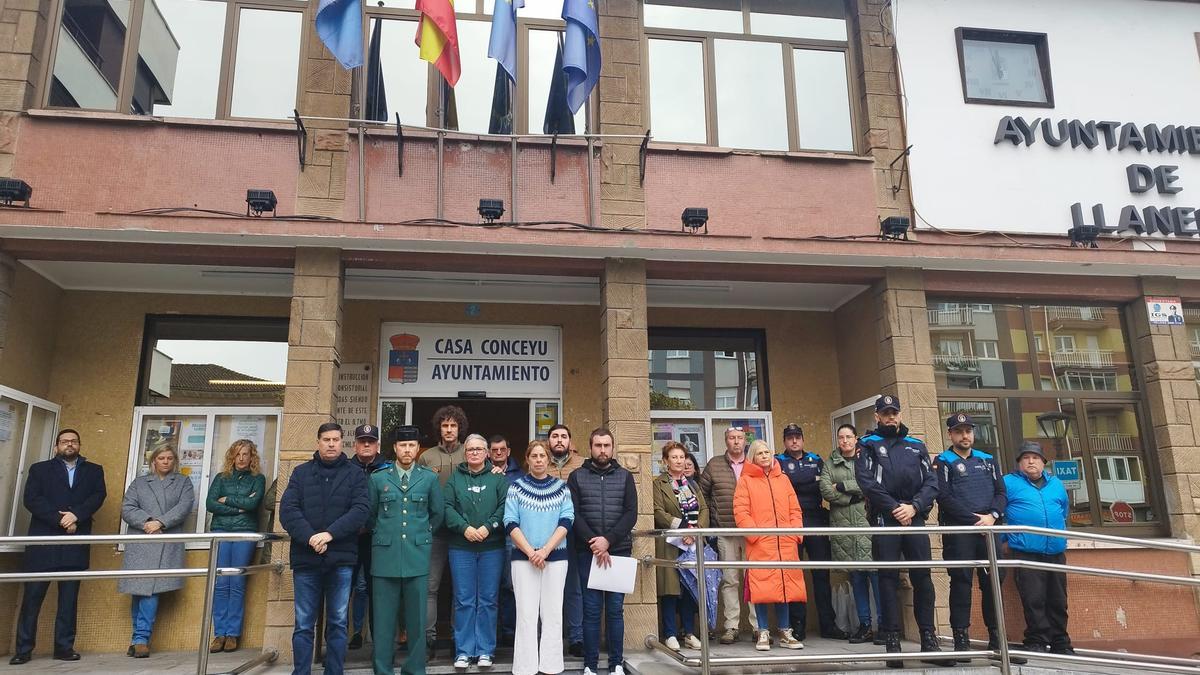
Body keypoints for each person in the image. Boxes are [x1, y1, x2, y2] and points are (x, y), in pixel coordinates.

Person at [855, 395, 950, 668]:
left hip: (914, 518)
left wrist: (914, 507)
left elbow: (932, 483)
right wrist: (896, 508)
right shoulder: (868, 445)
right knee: (887, 578)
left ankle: (928, 638)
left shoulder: (916, 444)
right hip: (886, 518)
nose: (890, 417)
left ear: (899, 414)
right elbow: (867, 483)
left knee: (923, 577)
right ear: (877, 416)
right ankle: (893, 639)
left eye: (894, 412)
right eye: (885, 413)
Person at [280, 422, 370, 675]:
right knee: (304, 625)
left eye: (336, 439)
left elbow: (360, 511)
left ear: (343, 443)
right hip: (306, 560)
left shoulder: (355, 475)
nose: (331, 444)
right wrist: (311, 537)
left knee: (338, 623)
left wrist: (329, 534)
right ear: (318, 442)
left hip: (341, 561)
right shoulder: (300, 473)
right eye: (326, 439)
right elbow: (288, 510)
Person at [11, 429, 106, 665]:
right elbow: (31, 499)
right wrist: (60, 519)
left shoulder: (94, 470)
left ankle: (64, 648)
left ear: (80, 445)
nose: (69, 445)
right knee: (32, 599)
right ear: (56, 447)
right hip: (43, 542)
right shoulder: (39, 469)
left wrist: (76, 516)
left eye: (74, 441)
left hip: (75, 541)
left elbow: (97, 496)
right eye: (64, 442)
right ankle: (23, 649)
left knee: (68, 599)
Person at [934, 413, 1012, 663]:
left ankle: (997, 639)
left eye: (968, 431)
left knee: (993, 585)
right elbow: (944, 498)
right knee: (961, 584)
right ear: (950, 435)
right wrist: (975, 520)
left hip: (988, 531)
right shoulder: (943, 461)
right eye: (959, 431)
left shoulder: (988, 460)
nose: (964, 435)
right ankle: (961, 641)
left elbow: (1001, 492)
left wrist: (993, 516)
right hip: (961, 533)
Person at [369, 425, 444, 675]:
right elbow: (370, 516)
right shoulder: (378, 478)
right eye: (403, 445)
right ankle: (382, 669)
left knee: (417, 619)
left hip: (417, 555)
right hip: (385, 556)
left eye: (412, 445)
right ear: (394, 448)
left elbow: (437, 515)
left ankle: (414, 668)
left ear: (417, 448)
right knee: (383, 620)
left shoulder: (429, 478)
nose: (407, 450)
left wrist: (420, 536)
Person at [569, 428, 638, 675]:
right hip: (588, 553)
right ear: (591, 448)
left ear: (612, 447)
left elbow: (631, 513)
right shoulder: (576, 477)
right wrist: (594, 542)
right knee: (591, 610)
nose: (602, 450)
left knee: (615, 610)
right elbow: (573, 514)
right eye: (598, 445)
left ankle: (616, 663)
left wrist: (607, 541)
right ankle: (589, 664)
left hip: (617, 551)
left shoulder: (625, 476)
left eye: (606, 445)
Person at [118, 445, 196, 658]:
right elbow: (127, 508)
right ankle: (137, 639)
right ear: (153, 461)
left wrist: (161, 522)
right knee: (138, 591)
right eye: (161, 458)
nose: (165, 461)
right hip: (141, 541)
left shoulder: (183, 482)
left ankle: (142, 638)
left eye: (169, 458)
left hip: (165, 540)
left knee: (150, 590)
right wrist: (147, 522)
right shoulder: (140, 483)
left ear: (175, 461)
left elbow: (185, 506)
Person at [505, 440, 574, 675]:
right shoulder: (516, 487)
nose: (538, 460)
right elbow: (510, 522)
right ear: (527, 459)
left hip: (555, 558)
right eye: (533, 456)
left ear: (548, 459)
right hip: (523, 558)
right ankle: (525, 667)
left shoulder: (561, 488)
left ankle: (551, 666)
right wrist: (531, 552)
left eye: (542, 456)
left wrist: (545, 551)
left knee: (553, 613)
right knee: (526, 613)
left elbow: (567, 520)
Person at [733, 440, 806, 652]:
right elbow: (741, 511)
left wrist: (795, 534)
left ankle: (785, 631)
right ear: (753, 458)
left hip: (785, 542)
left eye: (767, 452)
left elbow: (795, 509)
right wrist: (755, 535)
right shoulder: (745, 481)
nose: (764, 456)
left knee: (785, 587)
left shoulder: (783, 479)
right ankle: (763, 631)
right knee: (762, 588)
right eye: (759, 453)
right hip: (761, 544)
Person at [1003, 441, 1074, 656]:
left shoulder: (1056, 484)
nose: (1031, 461)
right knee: (1033, 598)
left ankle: (1061, 642)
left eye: (1035, 457)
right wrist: (1004, 540)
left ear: (1043, 462)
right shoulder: (1008, 483)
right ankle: (1037, 640)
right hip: (1026, 551)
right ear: (1019, 463)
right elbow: (997, 512)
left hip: (1055, 551)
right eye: (1026, 457)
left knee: (1058, 600)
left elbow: (1063, 511)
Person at [444, 434, 508, 669]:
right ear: (465, 453)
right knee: (464, 600)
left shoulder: (498, 479)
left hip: (492, 547)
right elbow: (447, 507)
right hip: (461, 547)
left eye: (479, 449)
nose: (474, 453)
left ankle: (485, 651)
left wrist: (487, 527)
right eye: (470, 449)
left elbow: (505, 507)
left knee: (488, 600)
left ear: (487, 453)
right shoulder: (454, 479)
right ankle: (463, 651)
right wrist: (464, 528)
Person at [775, 423, 844, 641]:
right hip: (790, 522)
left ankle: (828, 624)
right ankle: (798, 625)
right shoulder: (778, 461)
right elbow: (783, 489)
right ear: (785, 441)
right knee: (794, 575)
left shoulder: (816, 459)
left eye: (797, 437)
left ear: (802, 440)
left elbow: (824, 486)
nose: (794, 441)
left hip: (815, 520)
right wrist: (808, 481)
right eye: (790, 438)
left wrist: (798, 483)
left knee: (821, 574)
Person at [819, 424, 882, 645]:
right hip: (844, 528)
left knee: (876, 574)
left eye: (848, 437)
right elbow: (826, 490)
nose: (845, 441)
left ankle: (882, 625)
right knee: (856, 577)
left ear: (856, 439)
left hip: (867, 523)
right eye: (841, 437)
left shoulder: (867, 460)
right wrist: (853, 496)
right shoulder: (830, 463)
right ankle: (864, 625)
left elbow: (872, 485)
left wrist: (843, 485)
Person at [206, 439, 267, 653]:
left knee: (237, 582)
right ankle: (218, 633)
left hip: (245, 533)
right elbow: (210, 503)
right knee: (221, 582)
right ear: (232, 456)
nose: (241, 458)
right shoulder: (221, 478)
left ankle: (232, 634)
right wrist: (238, 507)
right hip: (221, 531)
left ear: (252, 457)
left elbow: (253, 504)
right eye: (238, 454)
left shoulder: (258, 479)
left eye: (246, 454)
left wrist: (227, 500)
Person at [418, 405, 468, 656]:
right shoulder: (426, 457)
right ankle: (429, 641)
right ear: (439, 427)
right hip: (435, 531)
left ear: (460, 428)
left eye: (453, 426)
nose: (449, 430)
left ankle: (460, 641)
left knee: (462, 588)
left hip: (462, 531)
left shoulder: (470, 453)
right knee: (430, 587)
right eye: (445, 425)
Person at [652, 441, 709, 651]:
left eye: (682, 457)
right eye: (674, 457)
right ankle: (670, 634)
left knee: (689, 588)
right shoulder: (659, 484)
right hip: (670, 543)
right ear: (666, 461)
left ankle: (689, 632)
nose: (679, 461)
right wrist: (683, 527)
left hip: (692, 543)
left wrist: (695, 531)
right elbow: (658, 512)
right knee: (671, 590)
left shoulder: (692, 484)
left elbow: (704, 509)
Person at [697, 426, 752, 644]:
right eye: (732, 438)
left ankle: (759, 627)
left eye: (739, 438)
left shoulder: (753, 462)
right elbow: (703, 495)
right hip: (726, 530)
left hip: (752, 532)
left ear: (745, 441)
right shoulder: (715, 464)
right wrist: (715, 520)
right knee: (730, 580)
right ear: (726, 441)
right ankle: (731, 627)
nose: (736, 441)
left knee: (753, 579)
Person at [348, 424, 391, 650]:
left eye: (371, 441)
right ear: (355, 444)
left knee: (377, 591)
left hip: (377, 540)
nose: (366, 444)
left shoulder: (387, 469)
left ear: (377, 445)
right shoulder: (345, 468)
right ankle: (348, 637)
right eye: (362, 441)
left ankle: (379, 645)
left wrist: (370, 526)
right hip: (348, 539)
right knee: (346, 589)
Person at [545, 423, 585, 656]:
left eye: (563, 436)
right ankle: (550, 637)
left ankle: (576, 637)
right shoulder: (539, 462)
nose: (559, 440)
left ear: (570, 441)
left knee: (573, 588)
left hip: (573, 535)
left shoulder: (582, 464)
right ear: (548, 440)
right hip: (544, 536)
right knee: (547, 589)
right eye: (554, 436)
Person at [488, 434, 523, 646]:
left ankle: (509, 631)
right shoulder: (481, 471)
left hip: (512, 536)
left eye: (502, 449)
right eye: (494, 450)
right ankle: (493, 632)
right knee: (490, 587)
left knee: (510, 585)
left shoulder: (520, 475)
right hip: (489, 536)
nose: (498, 453)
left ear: (508, 451)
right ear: (489, 452)